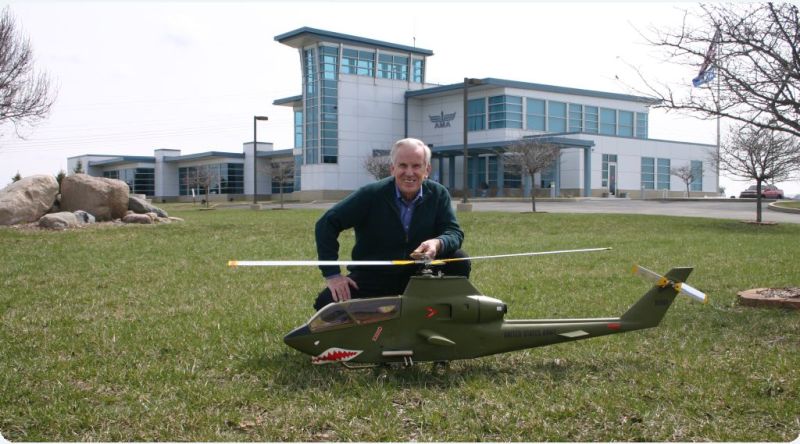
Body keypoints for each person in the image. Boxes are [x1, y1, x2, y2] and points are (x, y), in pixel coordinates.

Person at [313, 137, 471, 310]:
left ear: (427, 170)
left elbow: (453, 232)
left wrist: (438, 243)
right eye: (403, 165)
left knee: (459, 259)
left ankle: (436, 314)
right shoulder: (370, 195)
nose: (409, 172)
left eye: (416, 166)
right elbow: (326, 224)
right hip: (373, 276)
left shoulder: (438, 194)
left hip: (419, 276)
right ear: (392, 168)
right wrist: (333, 275)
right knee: (326, 304)